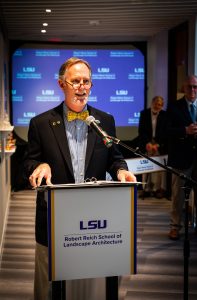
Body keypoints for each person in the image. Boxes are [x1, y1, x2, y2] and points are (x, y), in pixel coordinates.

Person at [23, 57, 137, 300]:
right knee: (48, 286)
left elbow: (114, 158)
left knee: (91, 283)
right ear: (61, 84)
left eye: (86, 82)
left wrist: (121, 170)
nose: (82, 87)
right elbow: (29, 163)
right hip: (53, 218)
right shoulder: (40, 123)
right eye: (75, 81)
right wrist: (40, 165)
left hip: (94, 220)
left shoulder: (105, 121)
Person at [167, 75, 197, 240]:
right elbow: (165, 132)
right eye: (189, 87)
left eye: (195, 87)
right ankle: (175, 227)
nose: (192, 90)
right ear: (183, 88)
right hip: (181, 158)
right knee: (178, 196)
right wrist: (185, 131)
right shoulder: (173, 107)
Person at [138, 96, 168, 198]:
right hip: (147, 145)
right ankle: (145, 189)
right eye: (156, 103)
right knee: (145, 167)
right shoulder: (144, 113)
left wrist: (157, 145)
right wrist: (148, 143)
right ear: (152, 103)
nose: (158, 106)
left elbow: (165, 132)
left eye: (160, 104)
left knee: (159, 169)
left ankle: (157, 189)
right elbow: (141, 131)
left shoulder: (165, 115)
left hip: (160, 146)